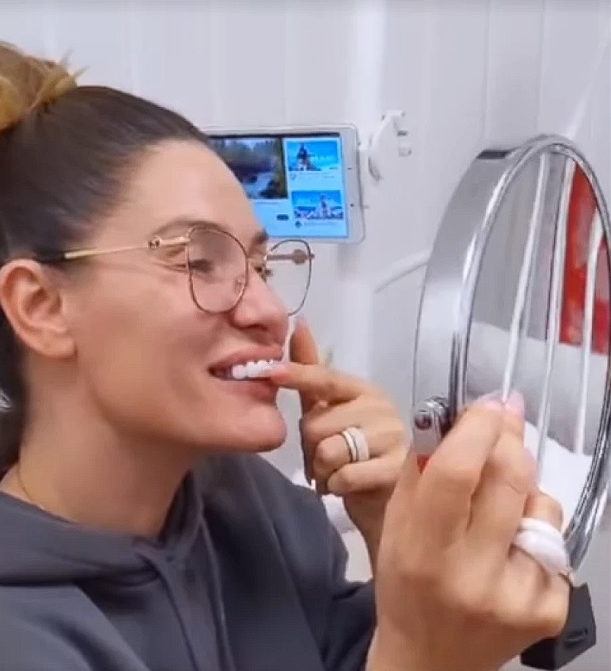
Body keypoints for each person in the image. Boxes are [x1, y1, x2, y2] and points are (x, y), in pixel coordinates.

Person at [0, 43, 569, 671]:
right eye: (199, 262)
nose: (270, 310)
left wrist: (399, 539)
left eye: (263, 266)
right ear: (41, 307)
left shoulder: (250, 505)